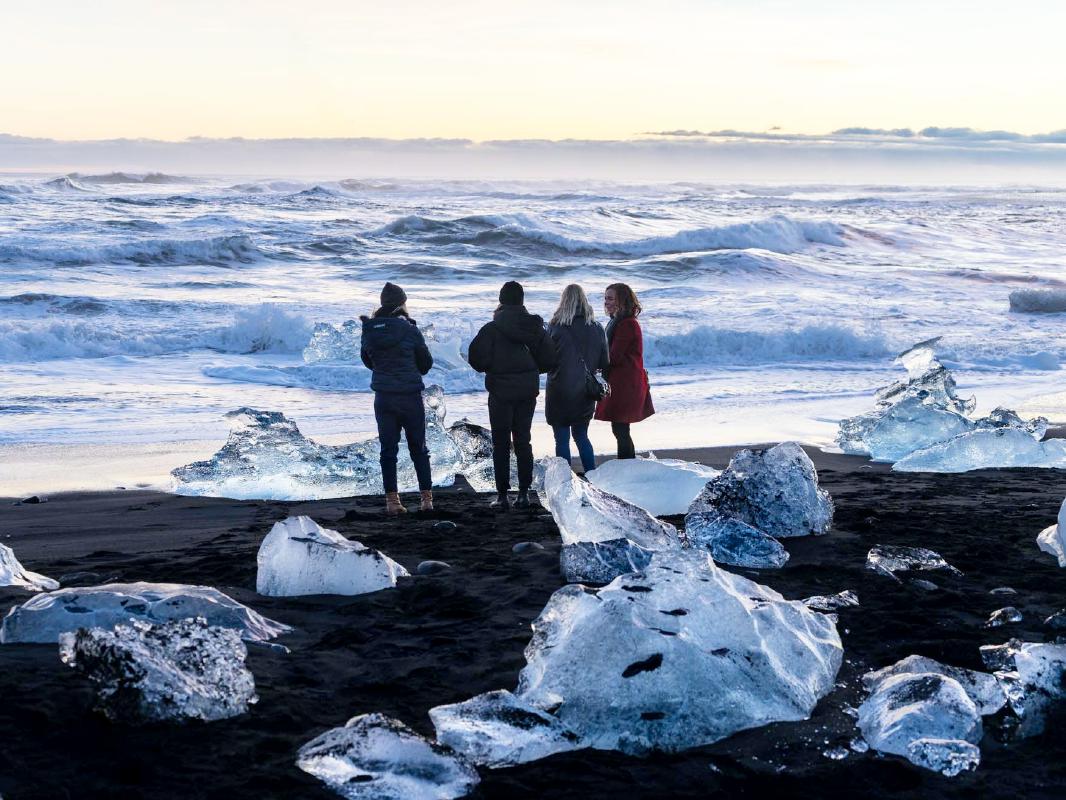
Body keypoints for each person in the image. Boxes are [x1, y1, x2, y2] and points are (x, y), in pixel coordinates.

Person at [467, 280, 557, 509]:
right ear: (522, 300)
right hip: (527, 391)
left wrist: (494, 366)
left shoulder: (491, 329)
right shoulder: (535, 327)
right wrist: (531, 370)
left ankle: (502, 496)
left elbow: (476, 359)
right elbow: (550, 359)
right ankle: (524, 493)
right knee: (523, 440)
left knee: (501, 443)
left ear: (501, 300)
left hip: (500, 391)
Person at [360, 282, 434, 515]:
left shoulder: (369, 330)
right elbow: (426, 364)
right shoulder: (410, 329)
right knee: (419, 449)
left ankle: (393, 502)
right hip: (410, 396)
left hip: (384, 397)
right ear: (402, 304)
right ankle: (426, 500)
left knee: (388, 450)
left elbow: (368, 361)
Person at [545, 284, 609, 475]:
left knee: (561, 440)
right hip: (585, 390)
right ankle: (591, 475)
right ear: (584, 300)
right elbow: (604, 362)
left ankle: (565, 478)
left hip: (559, 389)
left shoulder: (555, 327)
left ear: (563, 301)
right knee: (582, 436)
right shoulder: (597, 327)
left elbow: (546, 360)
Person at [595, 282, 654, 458]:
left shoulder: (626, 324)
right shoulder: (617, 322)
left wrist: (594, 360)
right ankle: (627, 463)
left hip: (625, 384)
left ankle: (626, 464)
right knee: (620, 428)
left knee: (620, 428)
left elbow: (614, 357)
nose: (606, 302)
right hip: (623, 381)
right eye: (605, 298)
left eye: (610, 298)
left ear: (621, 300)